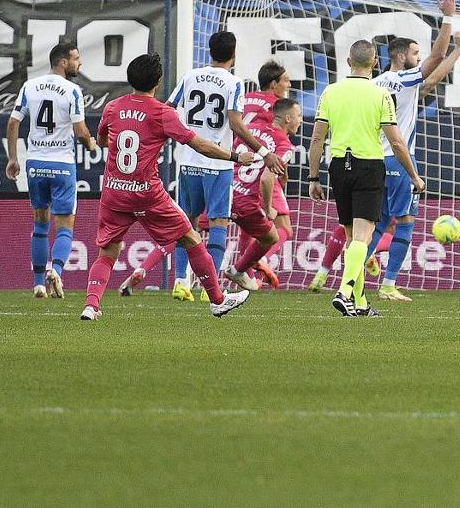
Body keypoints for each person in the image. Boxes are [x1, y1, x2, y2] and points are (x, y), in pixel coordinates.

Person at [81, 53, 254, 320]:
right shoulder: (163, 112)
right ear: (158, 82)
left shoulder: (113, 107)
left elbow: (103, 138)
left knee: (107, 251)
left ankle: (91, 306)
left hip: (114, 191)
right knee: (191, 237)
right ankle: (217, 300)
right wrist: (234, 156)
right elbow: (200, 145)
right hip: (147, 193)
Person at [317, 0, 460, 300]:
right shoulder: (404, 79)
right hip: (397, 161)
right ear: (399, 56)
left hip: (370, 160)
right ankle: (388, 284)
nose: (418, 57)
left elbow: (433, 77)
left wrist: (458, 52)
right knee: (406, 221)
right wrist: (448, 20)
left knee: (375, 224)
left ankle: (352, 283)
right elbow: (435, 62)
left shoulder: (376, 84)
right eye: (414, 53)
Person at [308, 39, 425, 317]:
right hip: (368, 166)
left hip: (338, 166)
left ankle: (359, 303)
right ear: (374, 64)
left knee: (352, 238)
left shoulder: (331, 92)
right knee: (363, 235)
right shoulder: (379, 94)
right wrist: (414, 176)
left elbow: (316, 138)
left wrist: (313, 178)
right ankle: (345, 291)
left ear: (348, 62)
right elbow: (397, 143)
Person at [164, 31, 281, 301]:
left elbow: (168, 110)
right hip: (218, 163)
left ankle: (181, 281)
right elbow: (237, 124)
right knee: (218, 221)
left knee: (186, 222)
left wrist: (181, 135)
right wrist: (264, 151)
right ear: (234, 55)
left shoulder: (189, 76)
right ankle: (211, 287)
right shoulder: (234, 83)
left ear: (209, 51)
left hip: (188, 160)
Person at [4, 44, 96, 298]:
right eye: (77, 59)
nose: (80, 63)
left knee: (40, 224)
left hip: (35, 163)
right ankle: (56, 270)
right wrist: (91, 143)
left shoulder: (29, 86)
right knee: (65, 224)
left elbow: (13, 123)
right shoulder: (72, 90)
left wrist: (13, 159)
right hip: (62, 164)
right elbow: (80, 132)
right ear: (63, 62)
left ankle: (37, 283)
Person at [217, 97, 303, 292]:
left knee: (200, 232)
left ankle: (190, 281)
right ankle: (238, 269)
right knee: (270, 238)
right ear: (288, 118)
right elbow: (266, 179)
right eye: (299, 116)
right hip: (245, 201)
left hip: (224, 192)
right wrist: (268, 209)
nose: (301, 120)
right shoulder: (285, 146)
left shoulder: (252, 129)